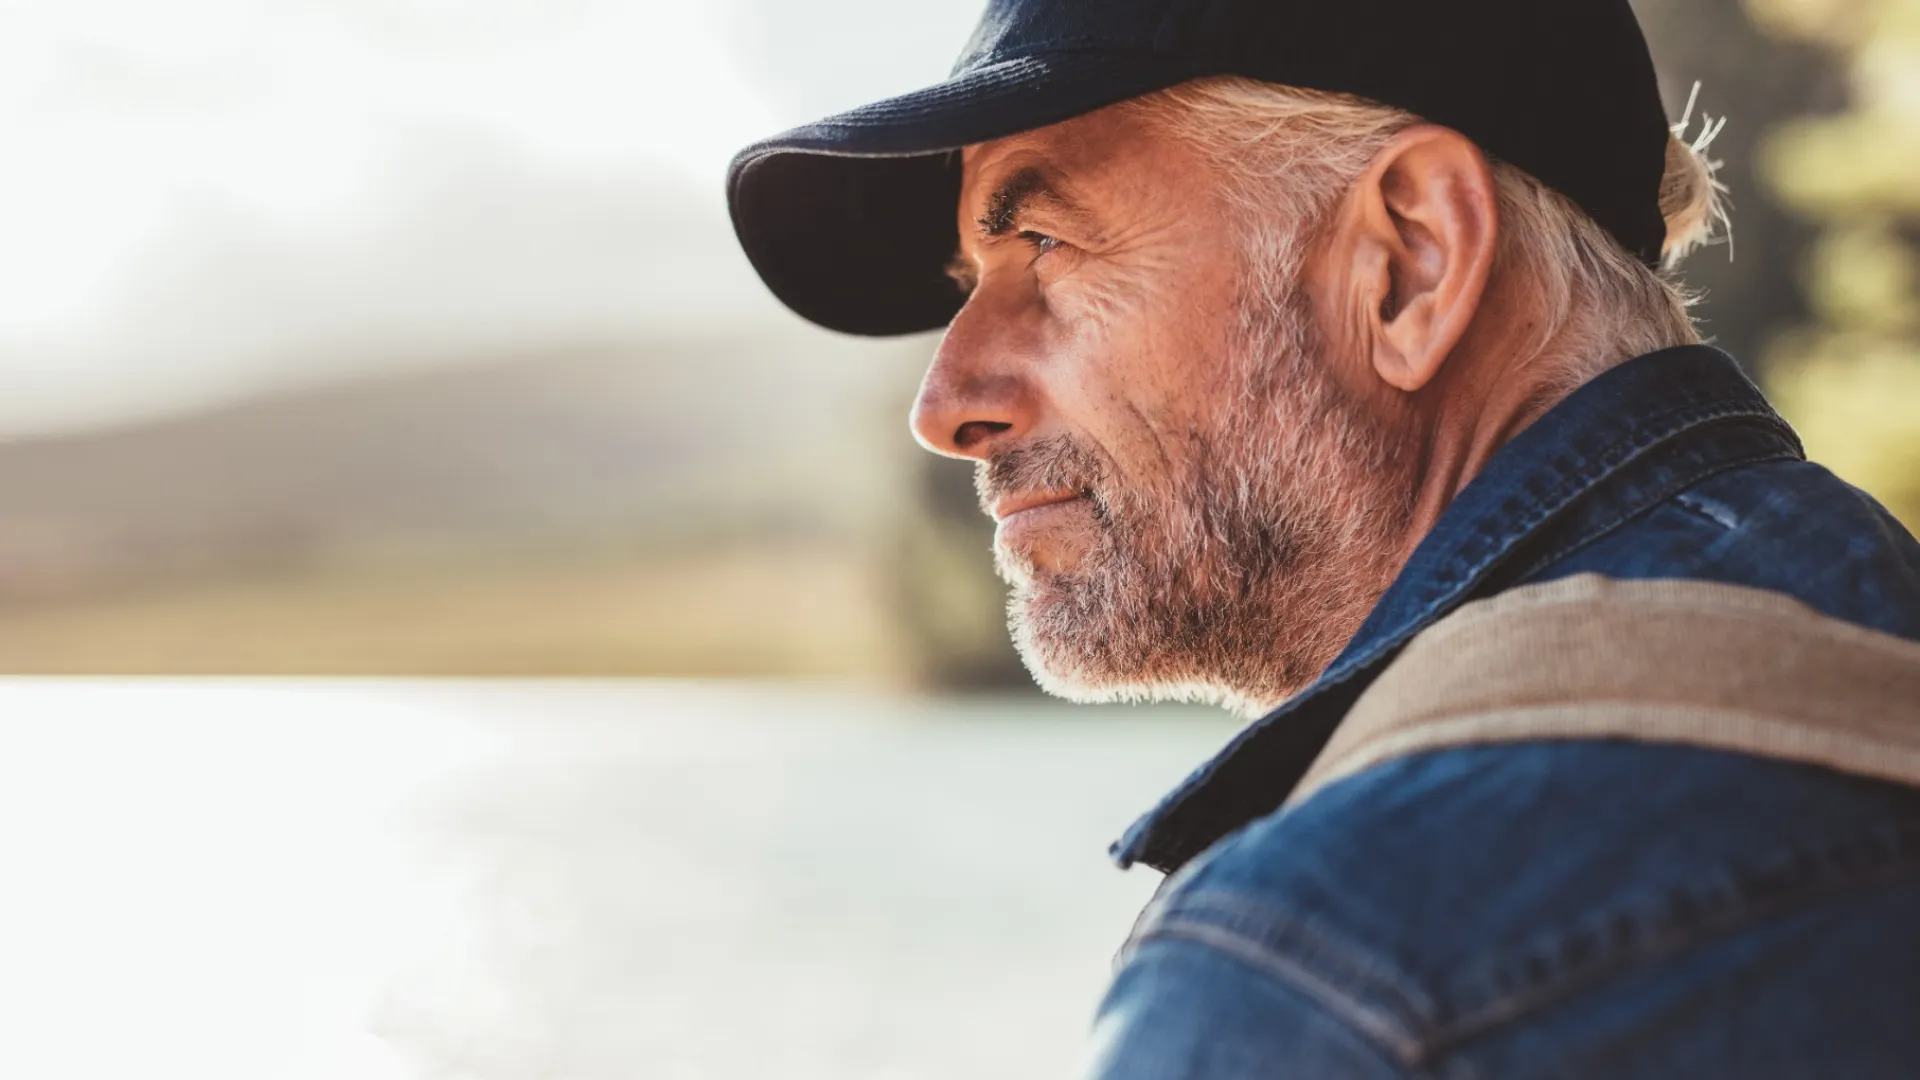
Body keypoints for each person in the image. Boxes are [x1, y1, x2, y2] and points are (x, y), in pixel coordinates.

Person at [726, 0, 1920, 1075]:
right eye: (969, 278)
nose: (945, 407)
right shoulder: (1870, 619)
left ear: (1410, 260)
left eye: (1045, 246)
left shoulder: (1326, 978)